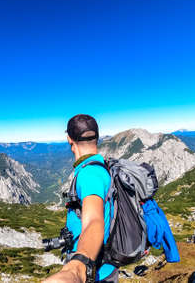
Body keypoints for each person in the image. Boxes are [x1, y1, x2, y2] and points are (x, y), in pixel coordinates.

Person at [43, 114, 117, 283]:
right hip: (104, 267)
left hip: (95, 273)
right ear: (96, 138)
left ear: (70, 140)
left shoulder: (89, 175)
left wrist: (78, 265)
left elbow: (94, 222)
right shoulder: (99, 166)